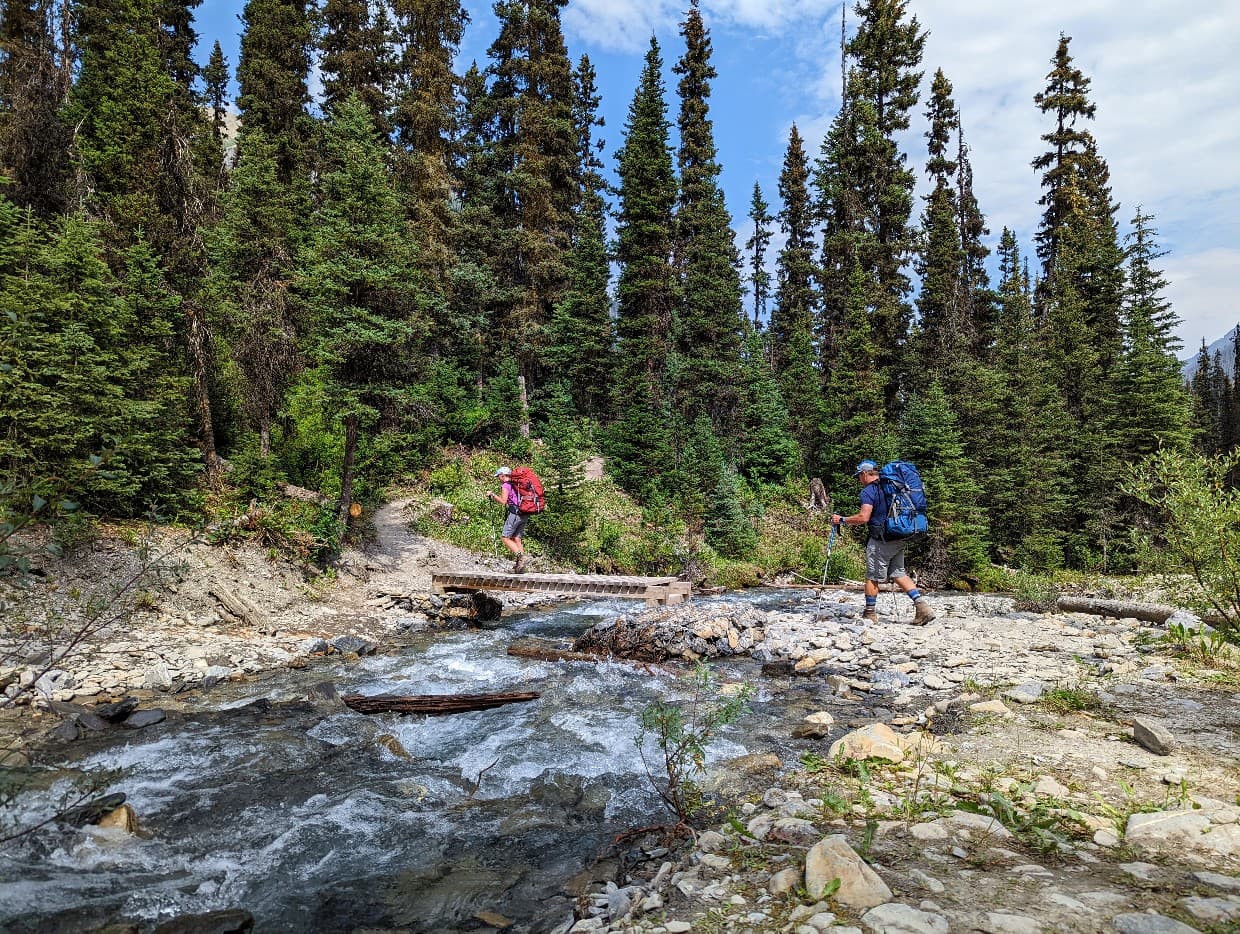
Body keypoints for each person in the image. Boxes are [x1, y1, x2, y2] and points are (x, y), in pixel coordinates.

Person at [832, 460, 936, 625]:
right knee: (898, 573)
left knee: (872, 576)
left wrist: (841, 520)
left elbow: (863, 517)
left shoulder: (869, 491)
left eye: (859, 475)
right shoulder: (892, 486)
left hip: (882, 539)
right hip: (900, 535)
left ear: (865, 473)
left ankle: (869, 613)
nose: (859, 479)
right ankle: (922, 608)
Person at [489, 466, 528, 573]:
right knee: (516, 538)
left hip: (515, 513)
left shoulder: (506, 485)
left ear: (502, 475)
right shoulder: (515, 484)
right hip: (524, 513)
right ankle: (521, 565)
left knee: (505, 537)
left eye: (498, 477)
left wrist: (493, 495)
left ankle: (520, 558)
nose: (498, 479)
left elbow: (503, 501)